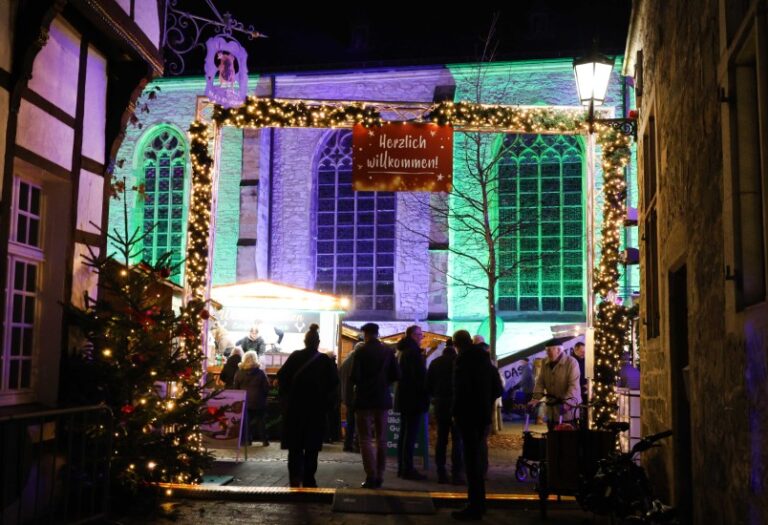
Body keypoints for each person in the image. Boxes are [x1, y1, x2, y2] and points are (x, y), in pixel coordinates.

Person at [277, 324, 339, 488]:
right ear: (317, 343)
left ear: (305, 342)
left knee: (295, 447)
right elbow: (334, 384)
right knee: (312, 447)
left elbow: (281, 377)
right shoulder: (325, 361)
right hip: (316, 411)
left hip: (295, 409)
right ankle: (309, 479)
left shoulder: (295, 356)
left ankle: (294, 478)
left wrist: (287, 397)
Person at [451, 330, 503, 521]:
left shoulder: (463, 363)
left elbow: (460, 392)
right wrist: (485, 401)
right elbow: (498, 389)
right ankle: (479, 504)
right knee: (478, 460)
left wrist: (456, 413)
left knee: (471, 461)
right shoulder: (486, 362)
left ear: (457, 344)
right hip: (482, 417)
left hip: (467, 417)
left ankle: (474, 506)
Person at [351, 322, 400, 489]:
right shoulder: (388, 351)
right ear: (377, 333)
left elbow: (354, 377)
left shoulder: (361, 351)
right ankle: (380, 474)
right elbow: (396, 375)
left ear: (366, 334)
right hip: (382, 399)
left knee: (365, 438)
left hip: (364, 399)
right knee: (382, 438)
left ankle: (370, 475)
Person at [426, 337, 464, 485]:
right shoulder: (459, 362)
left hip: (441, 404)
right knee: (457, 440)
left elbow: (428, 385)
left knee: (441, 439)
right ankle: (456, 473)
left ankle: (441, 472)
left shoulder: (436, 363)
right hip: (457, 405)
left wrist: (434, 397)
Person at [394, 325, 429, 480]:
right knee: (410, 435)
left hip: (404, 398)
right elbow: (419, 378)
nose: (422, 337)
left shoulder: (403, 351)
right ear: (414, 335)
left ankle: (402, 467)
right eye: (420, 335)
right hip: (412, 399)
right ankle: (407, 468)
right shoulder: (412, 353)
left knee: (404, 433)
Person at [528, 343, 582, 431]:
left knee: (567, 439)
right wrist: (535, 398)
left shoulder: (571, 362)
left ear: (559, 350)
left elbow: (573, 385)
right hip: (552, 410)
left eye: (549, 350)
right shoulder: (545, 362)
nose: (547, 353)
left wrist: (568, 402)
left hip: (568, 411)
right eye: (546, 351)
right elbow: (540, 382)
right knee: (552, 437)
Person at [233, 350, 270, 446]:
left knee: (246, 422)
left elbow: (235, 388)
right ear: (255, 360)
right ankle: (264, 440)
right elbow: (266, 387)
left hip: (244, 401)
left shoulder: (239, 373)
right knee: (261, 421)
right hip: (258, 401)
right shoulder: (261, 373)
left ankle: (248, 440)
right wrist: (263, 397)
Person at [339, 339, 363, 452]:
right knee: (359, 423)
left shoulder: (345, 362)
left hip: (347, 397)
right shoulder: (358, 361)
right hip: (357, 396)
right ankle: (358, 445)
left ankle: (347, 445)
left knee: (350, 422)